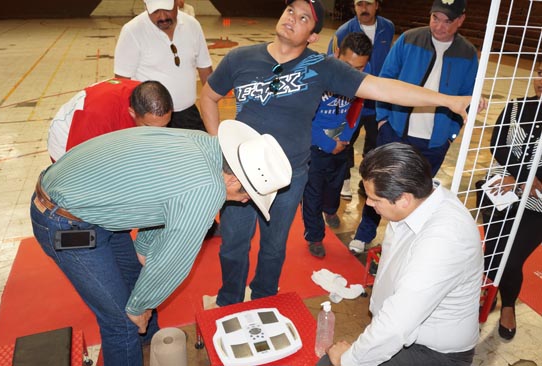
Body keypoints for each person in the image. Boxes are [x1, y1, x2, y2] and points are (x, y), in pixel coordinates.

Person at [200, 0, 472, 307]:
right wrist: (220, 150)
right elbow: (208, 96)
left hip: (288, 177)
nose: (292, 18)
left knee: (274, 247)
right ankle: (230, 301)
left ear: (313, 36)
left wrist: (447, 100)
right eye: (291, 10)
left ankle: (263, 300)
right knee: (232, 245)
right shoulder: (240, 58)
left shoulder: (321, 67)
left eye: (304, 18)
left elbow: (383, 88)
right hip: (239, 174)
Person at [30, 121, 292, 366]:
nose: (245, 202)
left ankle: (148, 343)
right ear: (234, 179)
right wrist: (139, 307)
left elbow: (159, 197)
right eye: (247, 194)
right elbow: (172, 260)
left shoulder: (205, 145)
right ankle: (135, 337)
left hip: (93, 205)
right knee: (122, 323)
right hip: (62, 218)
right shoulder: (208, 188)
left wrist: (143, 248)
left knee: (136, 279)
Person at [323, 143, 482, 366]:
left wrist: (347, 361)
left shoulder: (444, 240)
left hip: (434, 353)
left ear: (403, 199)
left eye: (375, 199)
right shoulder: (420, 202)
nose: (368, 203)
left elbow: (397, 323)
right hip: (407, 331)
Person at [349, 0, 479, 254]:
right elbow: (385, 79)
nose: (439, 26)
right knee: (379, 186)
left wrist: (450, 135)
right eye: (435, 18)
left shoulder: (467, 53)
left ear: (461, 20)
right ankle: (364, 234)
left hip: (433, 142)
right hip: (395, 131)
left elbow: (467, 97)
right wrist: (384, 119)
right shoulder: (409, 39)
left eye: (447, 21)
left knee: (417, 197)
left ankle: (403, 246)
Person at [481, 59, 542, 340]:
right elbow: (498, 144)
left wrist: (531, 183)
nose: (541, 80)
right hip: (501, 190)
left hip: (537, 203)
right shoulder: (517, 106)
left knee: (513, 256)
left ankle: (508, 306)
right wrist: (523, 179)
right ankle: (488, 295)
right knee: (492, 251)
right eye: (541, 73)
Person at [303, 32, 372, 258]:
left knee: (335, 183)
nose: (351, 74)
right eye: (346, 65)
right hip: (313, 144)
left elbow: (356, 110)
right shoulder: (315, 75)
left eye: (359, 68)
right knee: (312, 192)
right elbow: (304, 117)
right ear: (336, 55)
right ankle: (314, 235)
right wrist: (326, 143)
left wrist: (344, 140)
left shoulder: (364, 77)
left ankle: (330, 210)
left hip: (341, 142)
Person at [326, 0, 395, 200]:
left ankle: (368, 183)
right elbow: (332, 64)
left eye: (368, 3)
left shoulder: (387, 27)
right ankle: (345, 180)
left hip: (377, 102)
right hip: (352, 102)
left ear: (377, 5)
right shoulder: (343, 31)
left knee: (375, 146)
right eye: (359, 4)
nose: (363, 8)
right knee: (345, 141)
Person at [114, 0, 212, 131]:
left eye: (167, 9)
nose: (162, 17)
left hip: (188, 115)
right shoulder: (132, 31)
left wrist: (211, 105)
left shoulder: (192, 25)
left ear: (177, 3)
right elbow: (122, 82)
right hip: (152, 122)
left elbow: (205, 68)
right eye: (155, 11)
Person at [47, 78, 172, 162]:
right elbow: (76, 165)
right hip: (67, 138)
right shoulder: (97, 115)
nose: (158, 133)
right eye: (149, 127)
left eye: (164, 126)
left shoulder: (150, 96)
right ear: (132, 113)